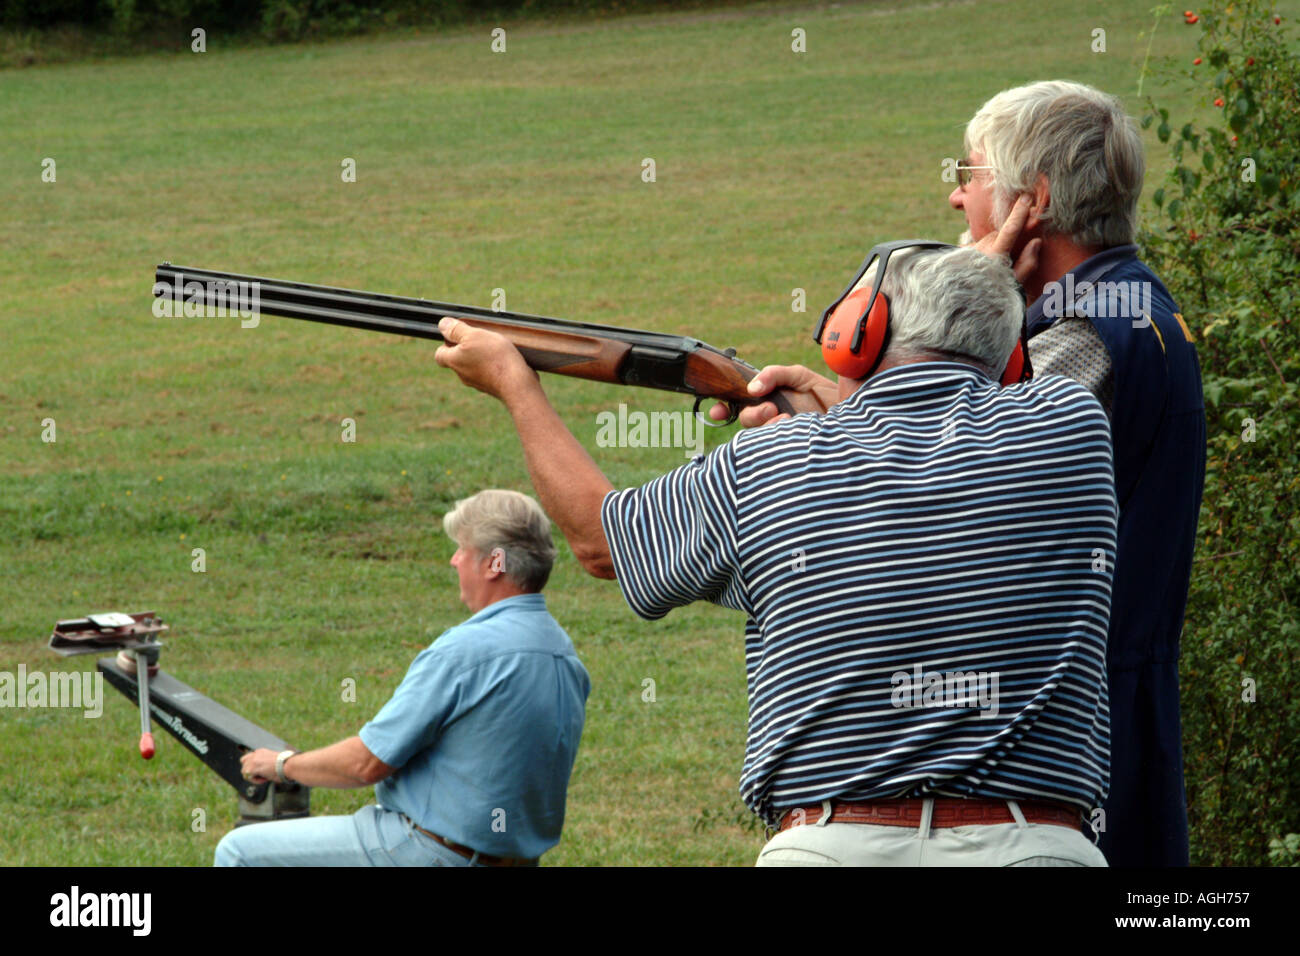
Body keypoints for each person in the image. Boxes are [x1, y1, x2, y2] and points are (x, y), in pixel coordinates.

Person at [435, 243, 1117, 866]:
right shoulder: (1072, 427)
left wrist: (516, 386)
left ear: (860, 336)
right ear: (1011, 356)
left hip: (830, 845)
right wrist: (842, 412)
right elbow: (938, 457)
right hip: (1034, 846)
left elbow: (602, 541)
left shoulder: (770, 461)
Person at [730, 81, 1206, 868]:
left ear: (1034, 198)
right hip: (1098, 717)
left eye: (970, 171)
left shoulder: (1079, 341)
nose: (956, 197)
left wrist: (830, 433)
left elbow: (944, 487)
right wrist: (842, 412)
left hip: (1053, 747)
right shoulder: (1132, 311)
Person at [213, 489, 590, 867]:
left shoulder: (466, 652)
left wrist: (283, 765)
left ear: (494, 563)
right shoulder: (564, 656)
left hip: (428, 852)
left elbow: (366, 764)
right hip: (514, 860)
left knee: (238, 851)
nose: (454, 559)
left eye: (463, 549)